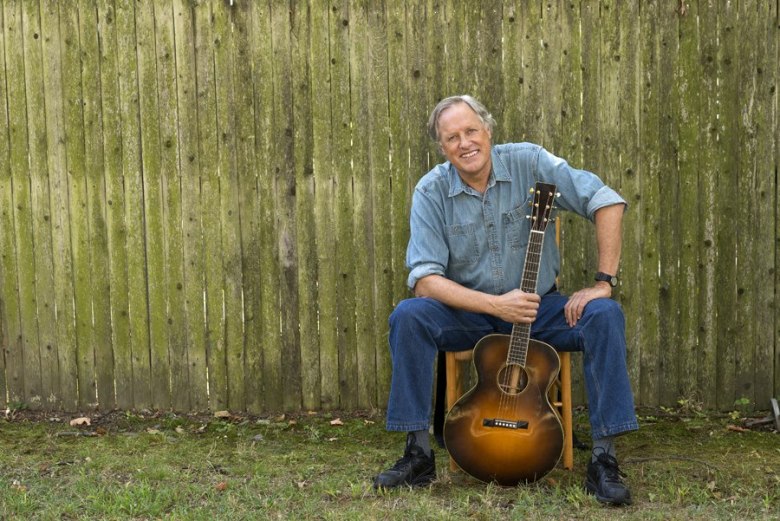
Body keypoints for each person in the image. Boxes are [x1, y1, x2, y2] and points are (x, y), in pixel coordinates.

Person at [372, 95, 638, 506]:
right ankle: (418, 453)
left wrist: (603, 281)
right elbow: (424, 279)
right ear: (442, 147)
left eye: (471, 131)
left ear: (488, 130)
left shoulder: (530, 163)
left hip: (538, 309)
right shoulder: (431, 190)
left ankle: (604, 458)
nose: (464, 143)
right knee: (409, 316)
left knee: (604, 315)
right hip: (471, 313)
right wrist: (495, 305)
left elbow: (607, 200)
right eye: (452, 137)